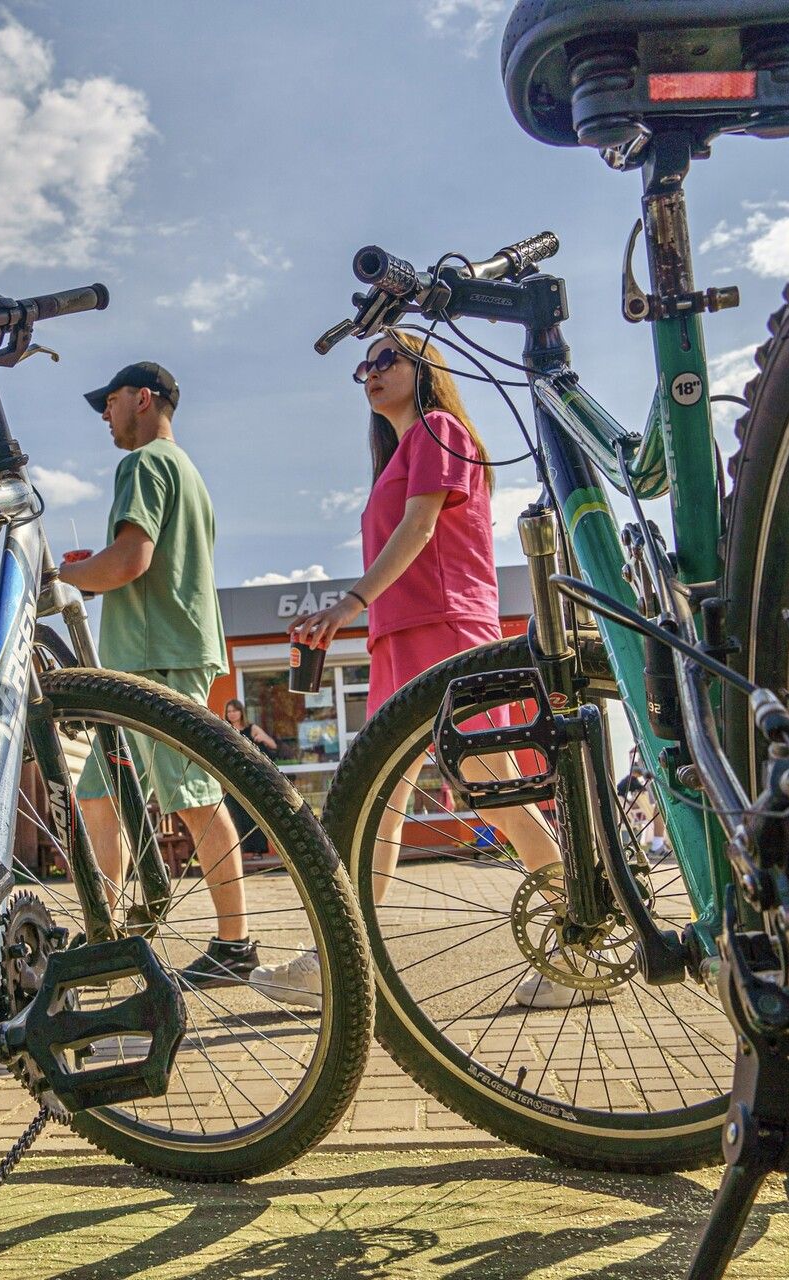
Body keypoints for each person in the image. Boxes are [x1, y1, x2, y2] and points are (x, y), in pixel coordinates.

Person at [252, 329, 569, 1010]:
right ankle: (339, 962)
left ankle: (579, 941)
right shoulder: (399, 453)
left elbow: (421, 529)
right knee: (376, 806)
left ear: (425, 367)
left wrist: (349, 602)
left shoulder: (439, 428)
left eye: (386, 358)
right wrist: (359, 611)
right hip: (398, 641)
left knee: (499, 794)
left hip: (449, 633)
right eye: (364, 366)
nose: (370, 371)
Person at [57, 362, 257, 988]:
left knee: (195, 799)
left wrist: (62, 578)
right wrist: (92, 566)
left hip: (156, 657)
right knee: (98, 795)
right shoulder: (189, 474)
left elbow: (130, 561)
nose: (104, 416)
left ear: (143, 399)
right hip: (158, 652)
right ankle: (107, 935)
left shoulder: (142, 466)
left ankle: (235, 944)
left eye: (110, 402)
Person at [221, 698, 275, 858]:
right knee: (236, 814)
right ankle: (242, 853)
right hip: (233, 779)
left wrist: (262, 739)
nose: (232, 714)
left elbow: (273, 745)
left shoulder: (251, 729)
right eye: (229, 711)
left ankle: (258, 851)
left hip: (252, 779)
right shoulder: (224, 729)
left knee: (254, 815)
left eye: (234, 710)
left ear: (241, 712)